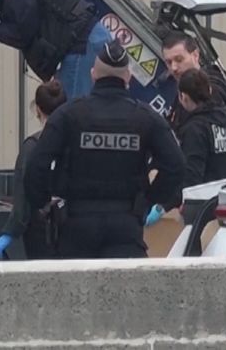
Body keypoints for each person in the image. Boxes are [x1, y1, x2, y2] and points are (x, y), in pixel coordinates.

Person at [24, 41, 186, 259]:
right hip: (126, 227)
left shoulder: (68, 115)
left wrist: (45, 202)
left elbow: (36, 165)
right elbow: (176, 165)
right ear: (128, 78)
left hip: (76, 226)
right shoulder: (146, 118)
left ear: (93, 75)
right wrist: (149, 200)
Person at [0, 80, 67, 260]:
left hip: (41, 229)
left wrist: (11, 230)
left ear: (38, 109)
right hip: (73, 225)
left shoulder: (33, 146)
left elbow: (23, 192)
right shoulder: (75, 141)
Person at [161, 31, 226, 175]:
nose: (174, 67)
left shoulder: (213, 94)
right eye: (168, 62)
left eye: (179, 59)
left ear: (195, 55)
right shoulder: (185, 93)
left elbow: (192, 169)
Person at [172, 69, 226, 192]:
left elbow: (192, 176)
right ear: (209, 90)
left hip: (205, 200)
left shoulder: (194, 129)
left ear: (183, 97)